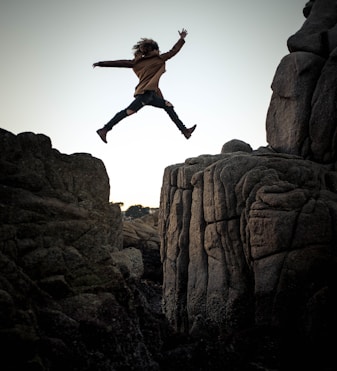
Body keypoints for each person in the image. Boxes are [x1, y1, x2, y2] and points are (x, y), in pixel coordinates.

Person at [93, 28, 196, 143]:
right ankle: (105, 129)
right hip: (145, 94)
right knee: (129, 111)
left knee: (168, 106)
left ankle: (185, 131)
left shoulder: (136, 62)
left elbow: (119, 62)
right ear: (154, 49)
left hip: (151, 95)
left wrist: (101, 63)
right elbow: (174, 51)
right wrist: (181, 39)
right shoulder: (159, 58)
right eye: (158, 49)